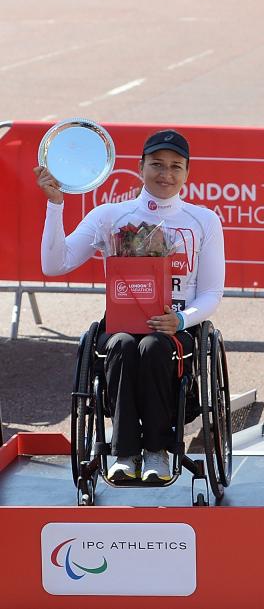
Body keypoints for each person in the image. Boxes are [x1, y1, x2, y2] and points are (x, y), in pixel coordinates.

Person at [36, 130, 226, 484]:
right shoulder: (110, 215)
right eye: (156, 164)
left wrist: (181, 318)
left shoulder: (204, 221)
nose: (165, 174)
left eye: (175, 167)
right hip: (121, 325)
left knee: (154, 346)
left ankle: (157, 450)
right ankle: (124, 452)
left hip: (177, 327)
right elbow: (53, 264)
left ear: (187, 173)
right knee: (121, 344)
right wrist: (55, 204)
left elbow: (212, 293)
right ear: (140, 167)